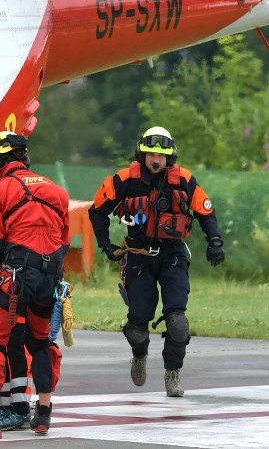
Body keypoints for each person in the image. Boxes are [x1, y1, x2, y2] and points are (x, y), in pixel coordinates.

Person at [88, 126, 226, 398]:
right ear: (142, 153)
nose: (155, 160)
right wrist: (106, 246)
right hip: (138, 256)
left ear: (170, 157)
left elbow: (205, 212)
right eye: (151, 154)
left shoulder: (184, 179)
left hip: (172, 255)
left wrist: (215, 241)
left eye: (161, 156)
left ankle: (172, 373)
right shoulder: (123, 180)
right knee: (137, 327)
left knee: (178, 321)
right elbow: (97, 212)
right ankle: (139, 355)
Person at [0, 132, 69, 439]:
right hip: (50, 276)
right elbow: (64, 241)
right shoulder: (56, 190)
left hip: (16, 275)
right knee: (39, 342)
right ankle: (43, 415)